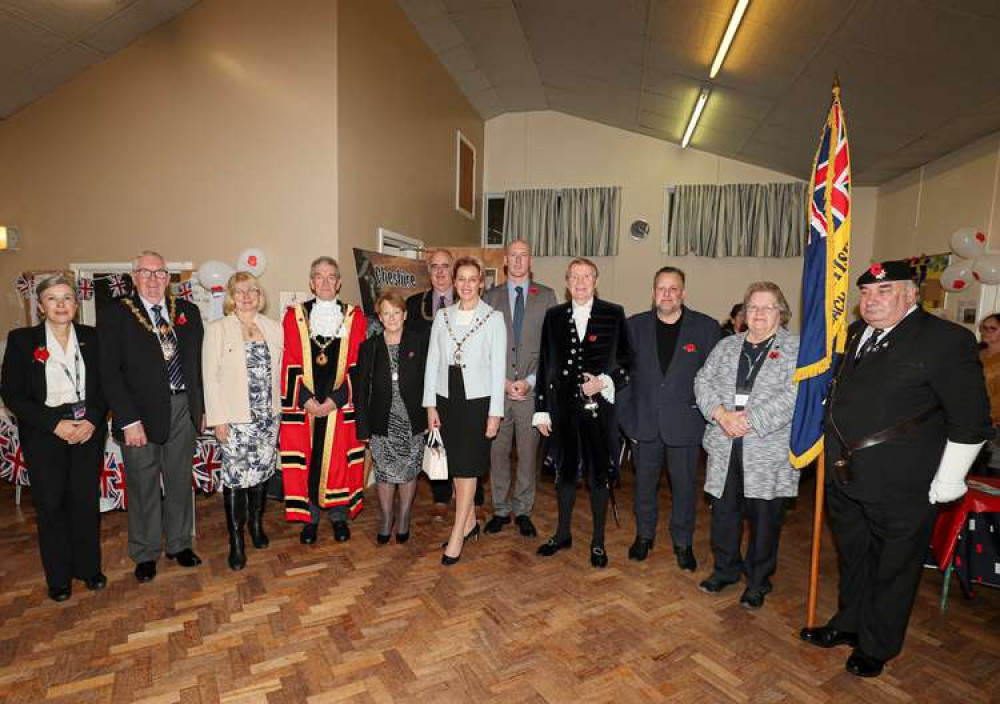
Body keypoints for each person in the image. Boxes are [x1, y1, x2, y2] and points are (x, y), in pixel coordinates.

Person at [800, 260, 992, 678]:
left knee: (893, 567)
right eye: (866, 293)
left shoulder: (945, 340)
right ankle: (848, 625)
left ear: (911, 295)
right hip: (846, 473)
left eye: (884, 292)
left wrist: (950, 478)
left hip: (903, 481)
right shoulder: (856, 334)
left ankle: (877, 645)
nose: (871, 301)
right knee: (853, 558)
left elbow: (972, 418)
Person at [694, 281, 800, 609]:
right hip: (726, 443)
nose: (758, 314)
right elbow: (702, 380)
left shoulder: (796, 349)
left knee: (765, 518)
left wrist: (749, 420)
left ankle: (758, 580)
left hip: (767, 448)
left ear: (781, 313)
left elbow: (795, 394)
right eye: (752, 307)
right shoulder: (727, 346)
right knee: (724, 513)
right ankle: (725, 570)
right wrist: (720, 413)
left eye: (767, 307)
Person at [100, 251, 204, 584]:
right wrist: (128, 420)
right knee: (143, 486)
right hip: (139, 415)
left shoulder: (188, 312)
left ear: (168, 278)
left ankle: (178, 544)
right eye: (147, 272)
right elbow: (109, 374)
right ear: (134, 277)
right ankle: (144, 553)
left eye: (161, 273)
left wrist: (201, 411)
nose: (155, 279)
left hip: (183, 408)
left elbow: (197, 368)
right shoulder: (116, 314)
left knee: (179, 479)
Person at [1, 276, 107, 601]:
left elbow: (106, 385)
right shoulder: (22, 340)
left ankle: (88, 568)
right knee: (51, 505)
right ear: (41, 306)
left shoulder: (93, 337)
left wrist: (91, 420)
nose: (61, 305)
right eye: (53, 299)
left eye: (67, 298)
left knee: (85, 502)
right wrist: (54, 425)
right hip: (45, 432)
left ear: (76, 305)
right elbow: (12, 394)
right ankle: (59, 578)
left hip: (87, 428)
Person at [619, 266, 719, 570]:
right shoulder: (633, 326)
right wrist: (627, 420)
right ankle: (644, 535)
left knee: (685, 488)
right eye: (661, 288)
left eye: (673, 288)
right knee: (644, 486)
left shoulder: (705, 328)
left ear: (683, 293)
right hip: (644, 423)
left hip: (685, 425)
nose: (667, 294)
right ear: (653, 292)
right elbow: (621, 376)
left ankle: (682, 542)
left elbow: (714, 379)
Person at [533, 258, 630, 568]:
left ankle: (598, 542)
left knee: (599, 477)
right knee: (564, 474)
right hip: (562, 411)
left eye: (586, 276)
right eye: (574, 277)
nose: (580, 282)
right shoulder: (554, 316)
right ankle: (563, 534)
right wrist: (541, 411)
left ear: (596, 280)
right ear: (567, 282)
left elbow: (628, 362)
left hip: (599, 412)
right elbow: (545, 364)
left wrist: (603, 382)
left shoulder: (613, 314)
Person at [423, 256, 506, 566]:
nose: (467, 285)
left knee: (469, 466)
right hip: (447, 398)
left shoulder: (494, 318)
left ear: (481, 282)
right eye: (462, 279)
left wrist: (494, 413)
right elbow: (432, 363)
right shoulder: (442, 316)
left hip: (477, 402)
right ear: (454, 283)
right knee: (456, 465)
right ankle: (470, 522)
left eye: (473, 279)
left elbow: (498, 371)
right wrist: (430, 405)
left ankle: (458, 533)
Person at [279, 256, 367, 544]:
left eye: (331, 277)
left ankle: (339, 517)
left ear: (339, 282)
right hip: (305, 407)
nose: (326, 282)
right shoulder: (295, 315)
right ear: (311, 282)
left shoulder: (355, 316)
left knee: (339, 460)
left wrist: (334, 401)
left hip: (339, 406)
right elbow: (289, 361)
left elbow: (357, 363)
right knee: (309, 460)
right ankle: (311, 520)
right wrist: (306, 400)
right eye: (320, 276)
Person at [202, 272, 283, 570]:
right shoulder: (217, 329)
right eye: (239, 291)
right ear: (231, 297)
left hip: (268, 417)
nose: (246, 295)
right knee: (236, 480)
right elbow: (210, 378)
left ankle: (256, 526)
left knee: (262, 474)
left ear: (260, 295)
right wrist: (218, 419)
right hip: (234, 420)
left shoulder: (274, 328)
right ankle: (236, 541)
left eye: (252, 290)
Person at [482, 240, 557, 537]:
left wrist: (530, 381)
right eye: (513, 255)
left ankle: (523, 510)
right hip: (498, 392)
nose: (517, 260)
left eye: (523, 255)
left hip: (530, 391)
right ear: (505, 261)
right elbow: (483, 348)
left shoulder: (547, 296)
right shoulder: (489, 297)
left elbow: (552, 348)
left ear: (530, 261)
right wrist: (500, 382)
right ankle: (500, 509)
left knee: (527, 454)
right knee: (497, 453)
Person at [353, 291, 427, 544]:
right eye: (387, 313)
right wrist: (362, 428)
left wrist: (430, 416)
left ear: (405, 315)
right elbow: (360, 391)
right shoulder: (369, 347)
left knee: (408, 473)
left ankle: (404, 516)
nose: (392, 317)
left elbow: (429, 383)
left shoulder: (418, 342)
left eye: (397, 312)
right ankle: (386, 517)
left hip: (412, 421)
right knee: (384, 474)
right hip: (380, 421)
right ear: (380, 317)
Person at [979, 314, 1000, 425]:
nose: (986, 331)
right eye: (984, 328)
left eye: (992, 328)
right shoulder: (976, 353)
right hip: (969, 414)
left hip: (993, 421)